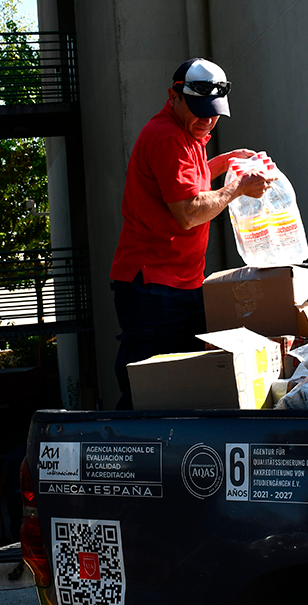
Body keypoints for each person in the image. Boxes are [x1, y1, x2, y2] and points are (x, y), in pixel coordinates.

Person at [109, 58, 271, 410]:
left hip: (177, 283)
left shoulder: (187, 132)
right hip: (153, 285)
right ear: (174, 96)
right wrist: (239, 188)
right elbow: (188, 212)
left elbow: (183, 183)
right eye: (199, 110)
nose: (207, 119)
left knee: (178, 388)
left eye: (214, 112)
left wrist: (224, 162)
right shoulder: (168, 136)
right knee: (148, 393)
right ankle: (120, 461)